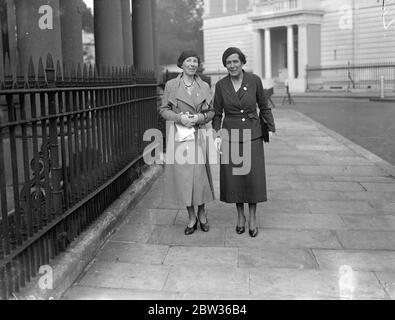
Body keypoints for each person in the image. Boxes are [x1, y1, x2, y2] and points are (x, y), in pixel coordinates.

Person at [212, 47, 276, 238]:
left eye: (235, 61)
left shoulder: (254, 80)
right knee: (235, 178)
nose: (232, 65)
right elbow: (217, 113)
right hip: (230, 135)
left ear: (242, 62)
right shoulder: (221, 85)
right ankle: (240, 216)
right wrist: (216, 133)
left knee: (252, 177)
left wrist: (270, 128)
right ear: (225, 65)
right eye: (228, 62)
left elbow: (264, 106)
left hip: (252, 133)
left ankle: (253, 216)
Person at [158, 50, 216, 235]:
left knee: (199, 177)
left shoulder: (204, 85)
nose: (192, 64)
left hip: (198, 134)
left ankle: (202, 213)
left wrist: (199, 117)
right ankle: (191, 217)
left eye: (195, 61)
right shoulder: (171, 85)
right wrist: (178, 118)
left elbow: (212, 111)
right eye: (188, 61)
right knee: (184, 179)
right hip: (180, 136)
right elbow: (163, 110)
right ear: (181, 64)